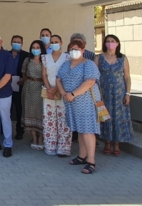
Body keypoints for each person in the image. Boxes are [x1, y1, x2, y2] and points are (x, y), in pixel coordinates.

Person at [56, 39, 100, 174]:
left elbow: (90, 81)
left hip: (85, 102)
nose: (74, 51)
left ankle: (91, 161)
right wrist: (64, 93)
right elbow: (58, 79)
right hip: (71, 102)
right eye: (71, 49)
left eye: (77, 49)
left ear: (82, 50)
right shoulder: (66, 64)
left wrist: (73, 94)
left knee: (87, 130)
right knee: (80, 130)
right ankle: (82, 156)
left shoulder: (89, 64)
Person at [95, 34, 134, 156]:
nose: (110, 43)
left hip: (119, 94)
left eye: (113, 41)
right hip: (104, 93)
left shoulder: (123, 58)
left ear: (117, 44)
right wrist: (97, 92)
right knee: (105, 117)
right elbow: (95, 77)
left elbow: (127, 77)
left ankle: (116, 144)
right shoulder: (99, 58)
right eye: (108, 41)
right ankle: (107, 142)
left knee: (118, 117)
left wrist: (128, 93)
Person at [41, 35, 72, 157]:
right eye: (52, 42)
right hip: (48, 92)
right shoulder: (45, 58)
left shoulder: (67, 57)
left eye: (56, 42)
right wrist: (49, 88)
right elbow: (44, 75)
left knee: (63, 119)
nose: (54, 44)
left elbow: (68, 74)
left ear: (61, 43)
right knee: (49, 119)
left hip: (63, 90)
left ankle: (63, 148)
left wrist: (56, 88)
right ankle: (50, 146)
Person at [22, 40, 47, 150]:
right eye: (33, 47)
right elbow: (23, 73)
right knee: (30, 112)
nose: (35, 49)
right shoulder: (27, 60)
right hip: (29, 88)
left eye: (38, 47)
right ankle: (34, 138)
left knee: (41, 113)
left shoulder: (45, 60)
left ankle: (41, 138)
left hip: (41, 88)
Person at [9, 35, 29, 140]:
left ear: (22, 43)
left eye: (18, 42)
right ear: (11, 43)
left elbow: (29, 70)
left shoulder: (26, 55)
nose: (16, 43)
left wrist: (23, 80)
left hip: (20, 85)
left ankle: (20, 131)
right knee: (7, 109)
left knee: (19, 109)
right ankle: (6, 130)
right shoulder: (6, 54)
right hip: (6, 86)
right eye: (14, 41)